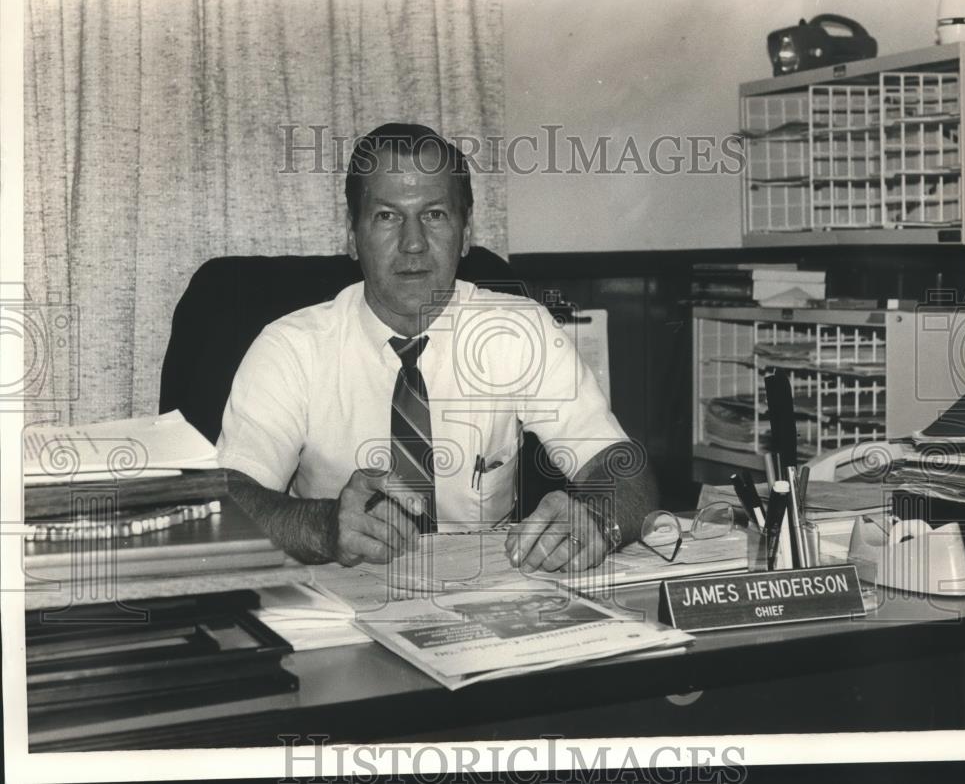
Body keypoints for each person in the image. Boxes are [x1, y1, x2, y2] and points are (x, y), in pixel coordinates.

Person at [217, 123, 659, 573]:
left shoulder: (518, 331)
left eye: (434, 215)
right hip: (341, 596)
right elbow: (228, 498)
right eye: (387, 216)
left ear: (466, 233)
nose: (413, 245)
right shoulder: (290, 348)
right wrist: (324, 525)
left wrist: (598, 518)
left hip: (486, 598)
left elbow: (620, 465)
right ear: (352, 236)